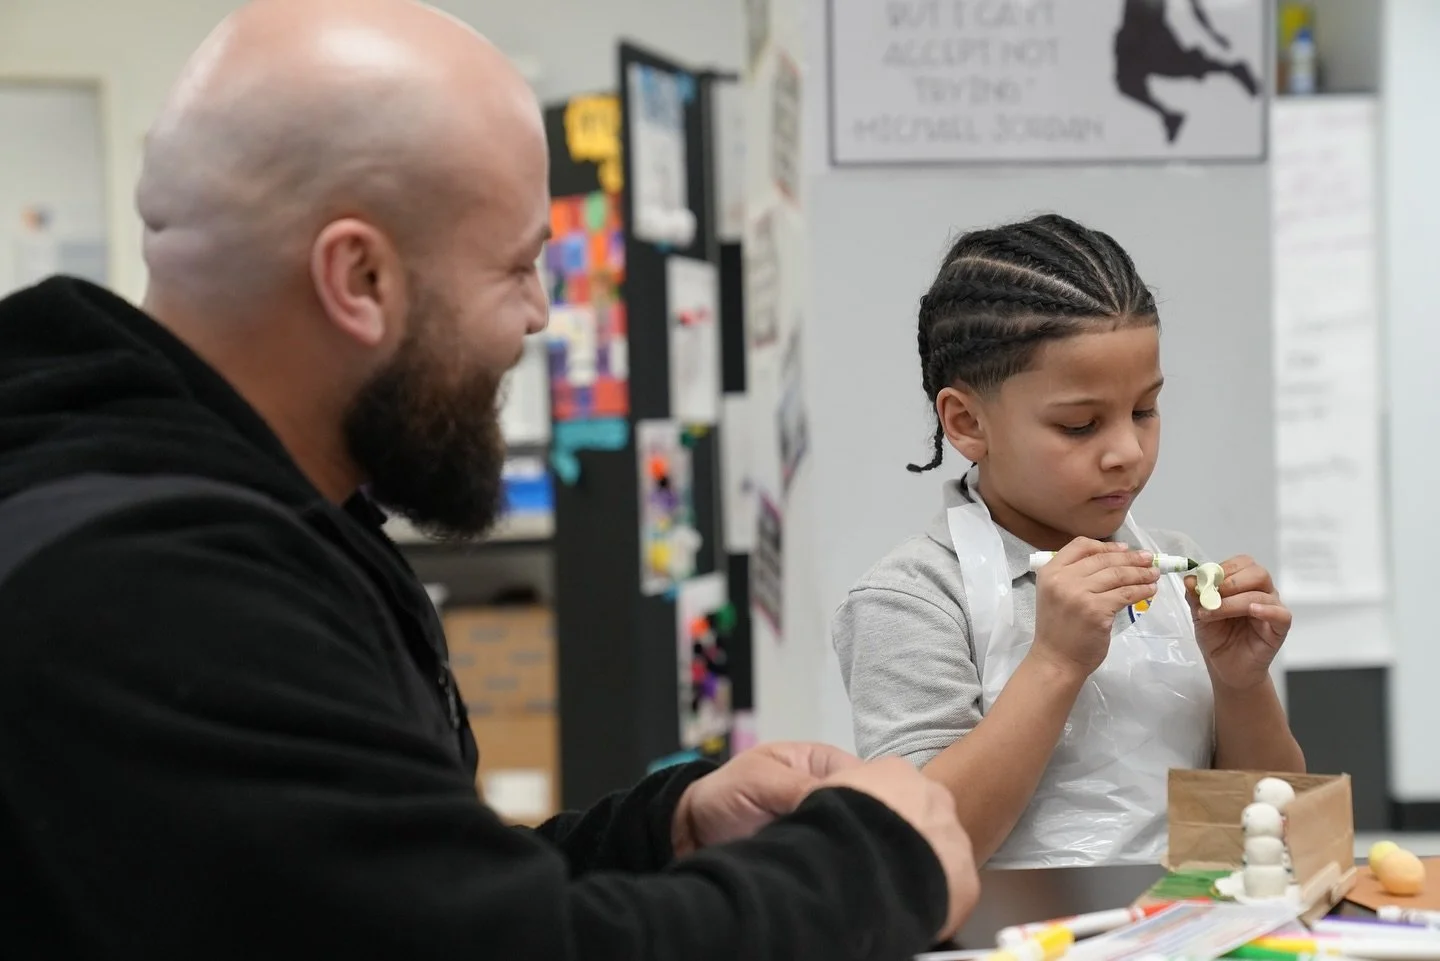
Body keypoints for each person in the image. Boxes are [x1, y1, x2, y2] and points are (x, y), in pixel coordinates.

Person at [0, 0, 979, 957]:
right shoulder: (151, 587)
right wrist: (870, 861)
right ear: (361, 280)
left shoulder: (213, 506)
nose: (542, 313)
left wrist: (663, 832)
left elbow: (367, 898)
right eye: (516, 268)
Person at [832, 214, 1305, 870]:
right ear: (967, 422)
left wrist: (1241, 682)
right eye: (1080, 425)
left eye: (1144, 410)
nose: (1127, 451)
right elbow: (922, 850)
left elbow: (1268, 824)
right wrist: (1054, 661)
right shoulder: (910, 597)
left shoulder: (1175, 570)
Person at [1114, 0, 1260, 143]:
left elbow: (1195, 7)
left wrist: (1213, 34)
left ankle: (1235, 69)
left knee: (1183, 67)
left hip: (1151, 34)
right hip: (1131, 35)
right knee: (1127, 84)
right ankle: (1169, 116)